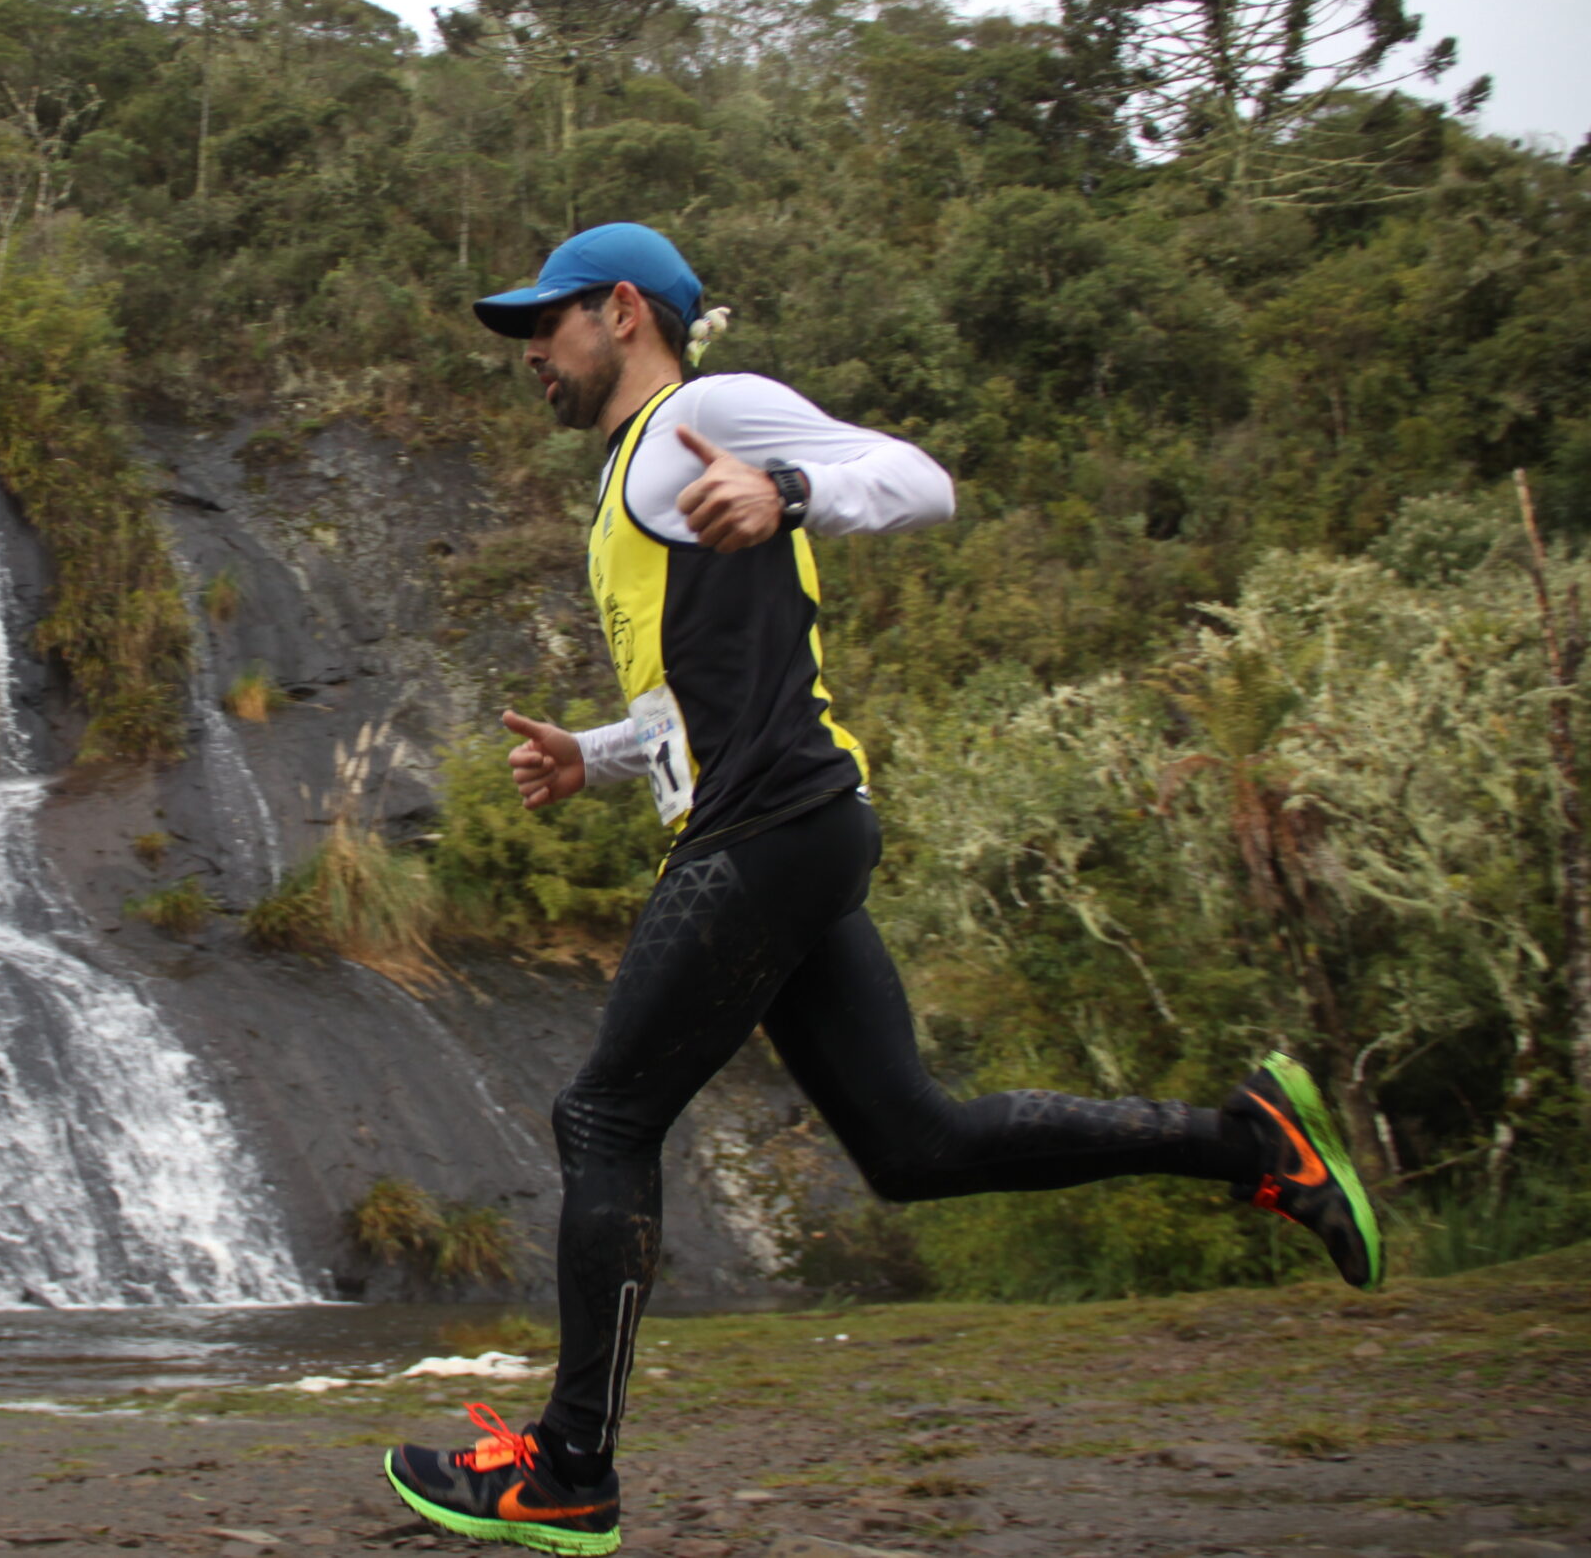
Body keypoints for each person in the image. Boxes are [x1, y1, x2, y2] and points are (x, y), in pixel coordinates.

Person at [380, 223, 1381, 1558]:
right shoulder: (638, 473)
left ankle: (567, 1471)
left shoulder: (707, 412)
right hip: (782, 824)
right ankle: (1252, 1144)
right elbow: (689, 703)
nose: (529, 358)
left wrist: (792, 491)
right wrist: (597, 755)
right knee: (915, 1148)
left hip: (773, 828)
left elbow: (922, 482)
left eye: (544, 326)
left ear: (624, 311)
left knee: (603, 1118)